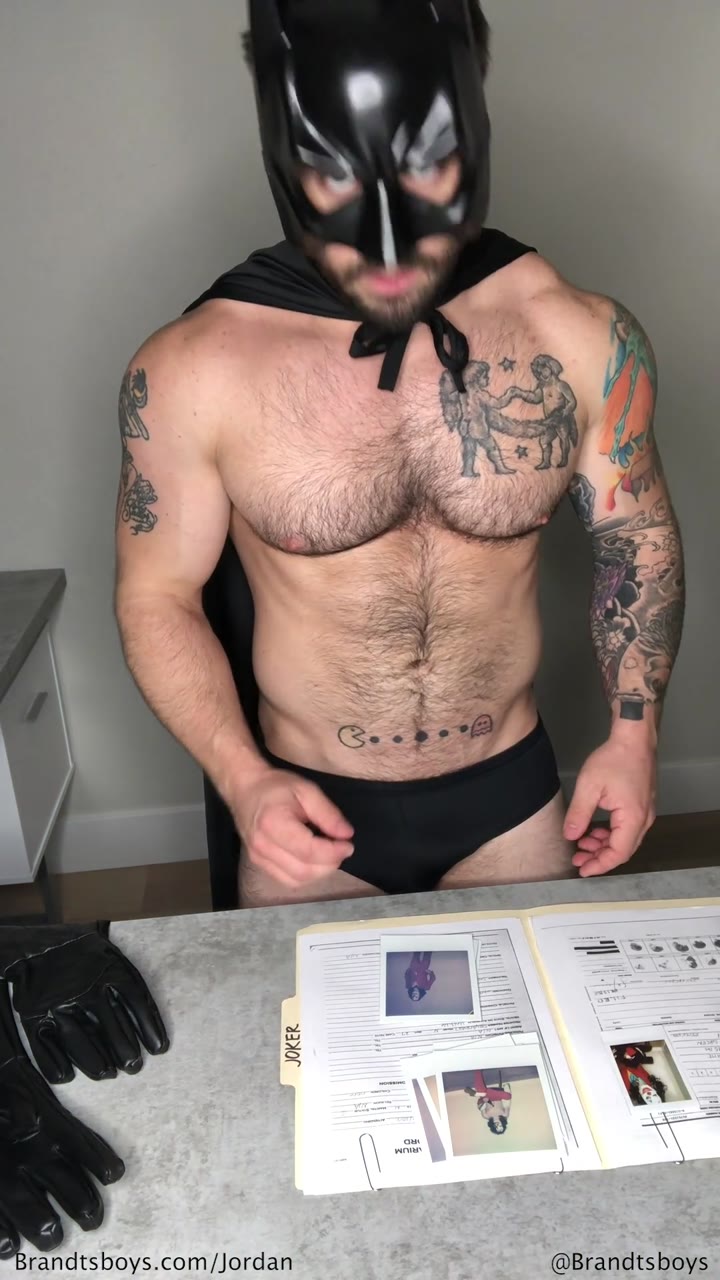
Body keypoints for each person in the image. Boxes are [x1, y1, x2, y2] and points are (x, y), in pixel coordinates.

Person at [114, 0, 685, 909]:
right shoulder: (195, 370)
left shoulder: (577, 334)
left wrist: (633, 735)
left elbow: (634, 536)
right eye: (332, 172)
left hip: (508, 799)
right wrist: (241, 778)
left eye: (428, 162)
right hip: (310, 811)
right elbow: (158, 595)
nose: (385, 236)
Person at [464, 1070, 512, 1134]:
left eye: (496, 1127)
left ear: (493, 1127)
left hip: (487, 1099)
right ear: (503, 1125)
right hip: (498, 1097)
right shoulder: (505, 1115)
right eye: (500, 1126)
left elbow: (480, 1105)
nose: (498, 1125)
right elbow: (507, 1103)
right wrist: (507, 1090)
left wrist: (483, 1101)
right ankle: (478, 1094)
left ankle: (477, 1071)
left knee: (481, 1091)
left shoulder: (486, 1116)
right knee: (508, 1096)